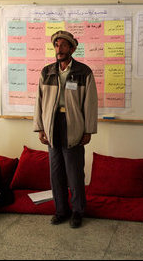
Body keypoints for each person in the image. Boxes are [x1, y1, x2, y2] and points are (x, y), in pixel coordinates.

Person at [33, 30, 98, 228]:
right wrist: (40, 127)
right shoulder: (47, 72)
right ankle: (61, 210)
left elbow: (91, 103)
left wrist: (88, 130)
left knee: (75, 173)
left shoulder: (83, 72)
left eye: (63, 45)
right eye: (56, 45)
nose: (59, 49)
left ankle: (78, 211)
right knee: (56, 173)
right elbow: (39, 101)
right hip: (52, 126)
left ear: (71, 48)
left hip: (74, 126)